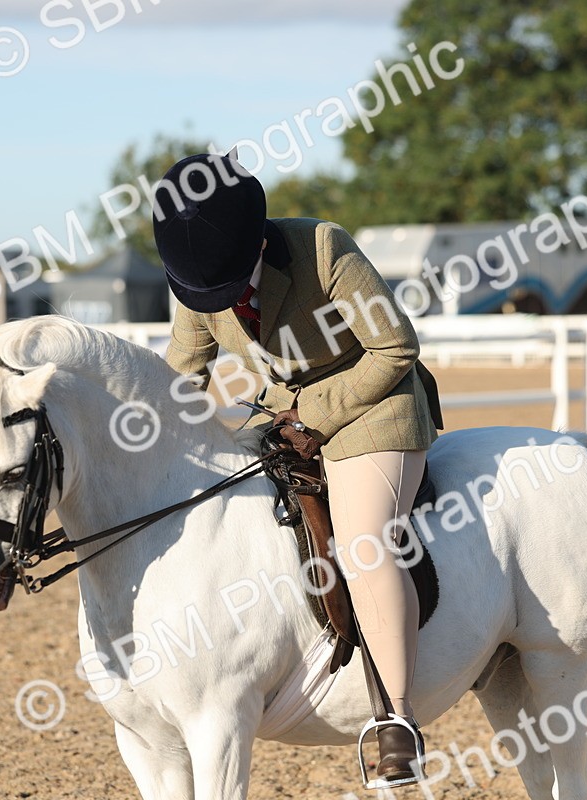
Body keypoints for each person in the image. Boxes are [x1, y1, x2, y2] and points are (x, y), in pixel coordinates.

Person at [155, 152, 444, 785]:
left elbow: (396, 347)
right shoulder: (200, 277)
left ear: (258, 239)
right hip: (281, 415)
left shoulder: (323, 249)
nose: (221, 303)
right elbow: (181, 373)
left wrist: (313, 415)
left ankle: (396, 719)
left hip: (372, 404)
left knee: (366, 543)